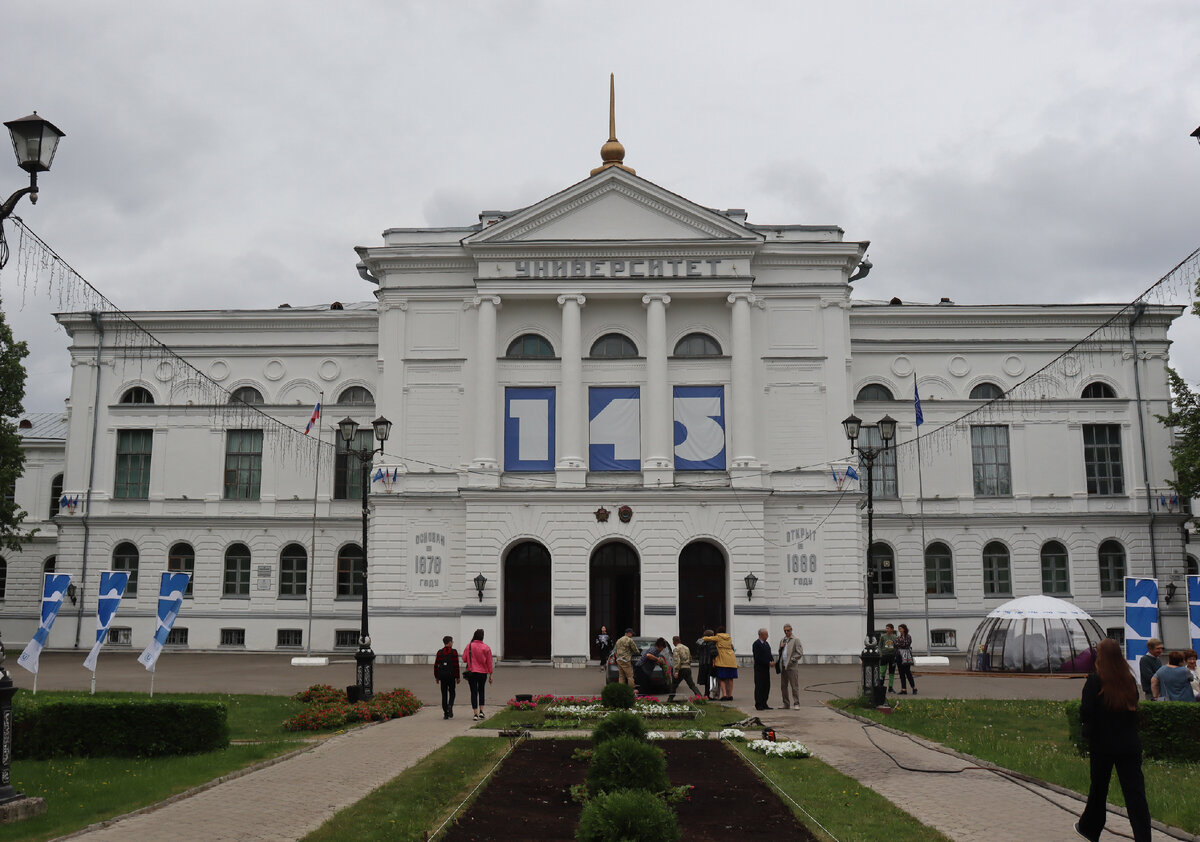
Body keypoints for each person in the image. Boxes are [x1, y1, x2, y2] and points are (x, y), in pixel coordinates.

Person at [1075, 637, 1151, 842]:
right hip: (1129, 745)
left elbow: (1087, 710)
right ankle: (1143, 837)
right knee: (1135, 794)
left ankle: (1091, 829)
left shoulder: (1095, 680)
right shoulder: (1128, 679)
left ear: (1101, 656)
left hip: (1103, 745)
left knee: (1099, 789)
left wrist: (1086, 731)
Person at [461, 628, 494, 721]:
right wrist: (491, 675)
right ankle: (481, 711)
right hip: (483, 672)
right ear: (482, 637)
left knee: (474, 692)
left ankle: (475, 713)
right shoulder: (486, 647)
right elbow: (489, 662)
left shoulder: (469, 646)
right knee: (482, 691)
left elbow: (464, 658)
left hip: (472, 672)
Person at [702, 626, 737, 701]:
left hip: (722, 660)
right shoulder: (729, 638)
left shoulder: (718, 637)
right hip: (731, 660)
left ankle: (724, 695)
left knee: (722, 678)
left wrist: (703, 638)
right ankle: (730, 695)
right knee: (730, 678)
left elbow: (707, 638)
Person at [433, 634, 460, 719]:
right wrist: (457, 677)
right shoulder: (454, 652)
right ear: (449, 642)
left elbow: (436, 665)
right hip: (451, 676)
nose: (452, 643)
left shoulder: (440, 652)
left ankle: (445, 712)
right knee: (452, 692)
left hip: (442, 676)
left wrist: (436, 677)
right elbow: (456, 665)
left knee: (444, 694)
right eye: (452, 641)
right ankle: (450, 705)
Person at [777, 623, 803, 709]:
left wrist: (792, 660)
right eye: (785, 631)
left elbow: (799, 653)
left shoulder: (795, 640)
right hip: (783, 666)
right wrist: (781, 647)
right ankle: (786, 703)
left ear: (791, 630)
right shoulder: (783, 640)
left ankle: (796, 703)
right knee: (783, 686)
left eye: (788, 630)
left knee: (794, 685)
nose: (786, 632)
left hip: (792, 667)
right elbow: (780, 652)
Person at [667, 635, 700, 701]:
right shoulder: (686, 648)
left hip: (681, 668)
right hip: (687, 667)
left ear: (674, 641)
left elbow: (677, 660)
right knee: (691, 684)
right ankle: (700, 696)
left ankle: (670, 699)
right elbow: (690, 658)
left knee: (674, 684)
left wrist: (676, 671)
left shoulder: (676, 649)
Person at [752, 628, 774, 710]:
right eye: (766, 634)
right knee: (759, 686)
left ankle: (764, 703)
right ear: (761, 635)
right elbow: (757, 658)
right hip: (759, 669)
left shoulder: (766, 644)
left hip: (766, 669)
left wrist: (771, 660)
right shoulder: (756, 644)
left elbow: (769, 654)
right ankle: (759, 704)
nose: (767, 636)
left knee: (766, 686)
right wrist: (768, 662)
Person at [696, 629, 718, 700]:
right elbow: (714, 653)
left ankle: (706, 694)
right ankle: (707, 695)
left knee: (705, 680)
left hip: (702, 663)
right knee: (710, 679)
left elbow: (697, 653)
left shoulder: (700, 642)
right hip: (710, 663)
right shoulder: (712, 643)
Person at [896, 623, 917, 695]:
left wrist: (899, 644)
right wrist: (898, 644)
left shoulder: (908, 636)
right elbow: (896, 644)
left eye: (901, 629)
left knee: (908, 672)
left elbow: (906, 644)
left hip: (906, 656)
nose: (900, 630)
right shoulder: (899, 637)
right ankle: (903, 689)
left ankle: (914, 688)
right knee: (901, 673)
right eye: (899, 629)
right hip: (899, 656)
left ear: (904, 629)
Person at [879, 623, 899, 693]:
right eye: (886, 628)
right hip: (884, 656)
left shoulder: (895, 637)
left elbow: (897, 646)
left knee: (891, 672)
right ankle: (881, 686)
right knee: (882, 671)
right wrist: (881, 654)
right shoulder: (883, 636)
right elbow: (879, 646)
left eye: (888, 628)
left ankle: (890, 687)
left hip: (892, 656)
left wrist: (895, 654)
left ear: (892, 629)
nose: (886, 629)